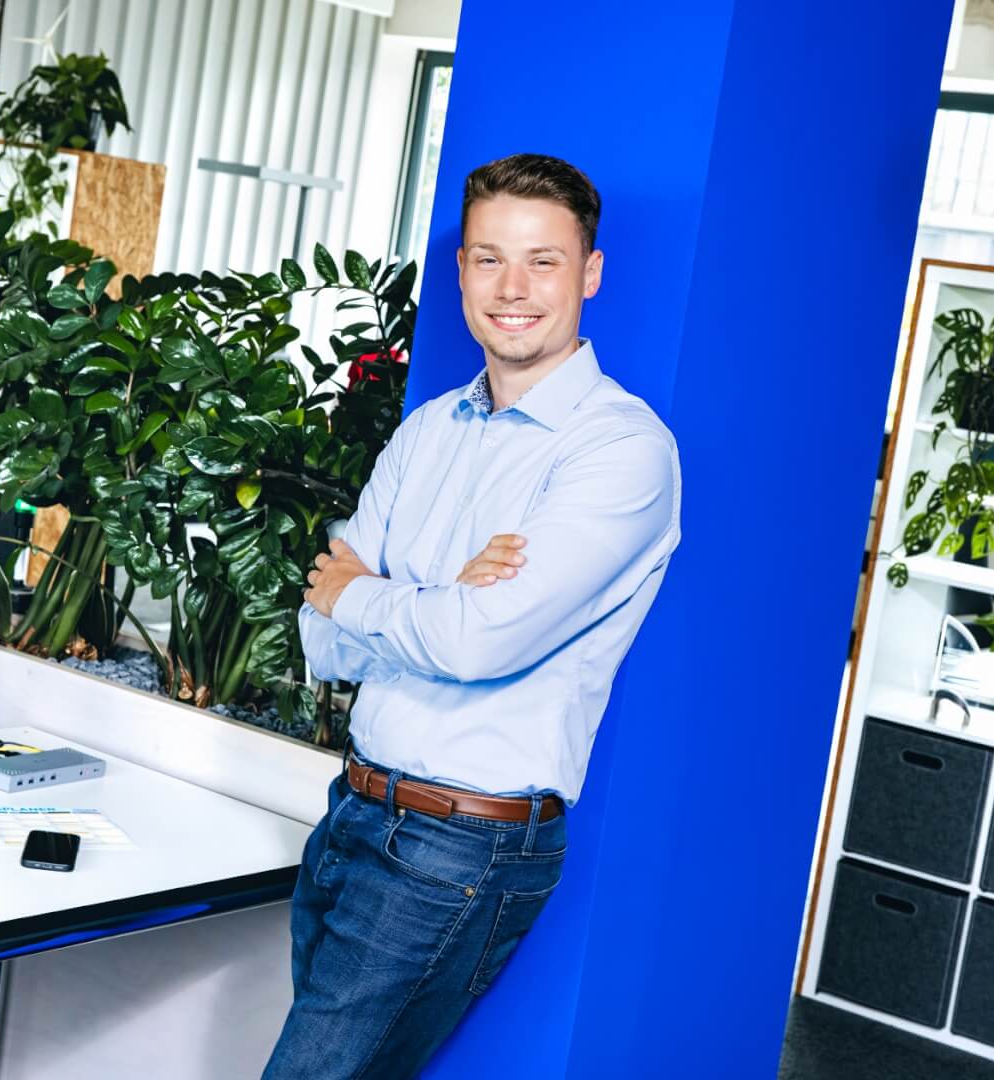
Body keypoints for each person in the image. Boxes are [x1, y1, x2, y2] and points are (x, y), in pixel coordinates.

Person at [263, 153, 682, 1079]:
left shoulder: (620, 453)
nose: (513, 288)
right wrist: (438, 596)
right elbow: (323, 640)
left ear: (591, 273)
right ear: (459, 272)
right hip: (353, 813)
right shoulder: (429, 430)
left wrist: (392, 596)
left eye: (543, 260)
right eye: (488, 259)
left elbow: (475, 642)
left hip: (460, 846)